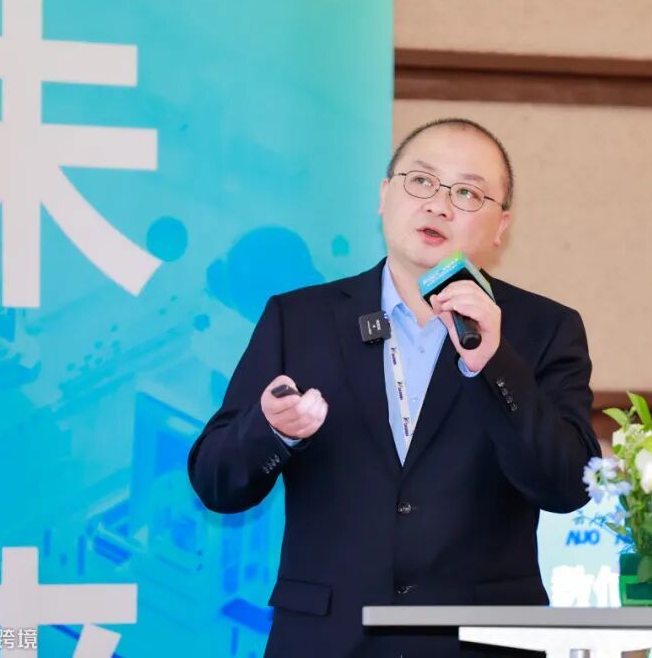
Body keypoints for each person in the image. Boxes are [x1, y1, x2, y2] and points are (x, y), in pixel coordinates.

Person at [188, 118, 601, 657]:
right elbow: (216, 482)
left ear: (501, 226)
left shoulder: (543, 329)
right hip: (326, 640)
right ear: (385, 196)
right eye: (421, 181)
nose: (438, 205)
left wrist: (495, 363)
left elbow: (569, 485)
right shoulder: (300, 320)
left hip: (479, 644)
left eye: (467, 193)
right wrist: (271, 431)